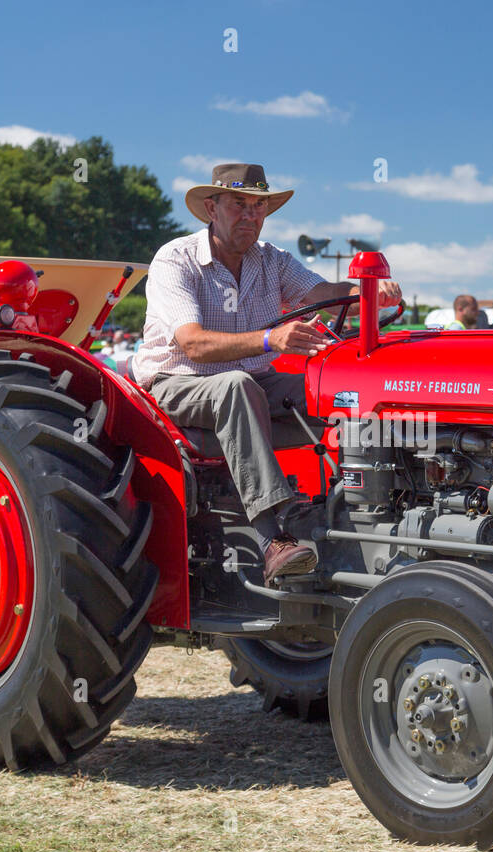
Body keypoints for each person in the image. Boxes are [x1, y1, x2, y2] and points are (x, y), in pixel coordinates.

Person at [138, 162, 402, 584]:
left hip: (251, 383)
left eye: (258, 207)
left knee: (341, 393)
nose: (250, 215)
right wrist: (268, 340)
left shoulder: (272, 260)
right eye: (239, 204)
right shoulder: (176, 259)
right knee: (236, 387)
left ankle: (369, 509)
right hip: (179, 383)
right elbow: (192, 344)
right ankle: (272, 538)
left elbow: (323, 298)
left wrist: (365, 291)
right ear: (211, 208)